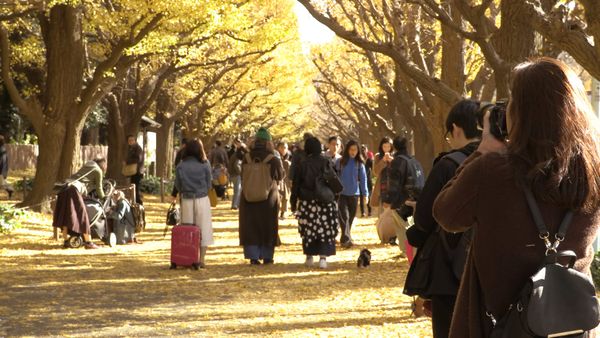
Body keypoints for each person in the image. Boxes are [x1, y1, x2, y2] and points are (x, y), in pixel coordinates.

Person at [433, 58, 600, 338]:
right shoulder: (593, 171)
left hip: (499, 325)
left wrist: (482, 150)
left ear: (523, 112)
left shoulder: (492, 170)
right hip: (571, 325)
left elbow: (446, 214)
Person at [404, 100, 481, 338]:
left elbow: (427, 217)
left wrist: (413, 234)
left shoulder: (448, 165)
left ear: (456, 129)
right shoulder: (506, 163)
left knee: (449, 328)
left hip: (450, 267)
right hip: (494, 268)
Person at [291, 137, 339, 269]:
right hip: (324, 201)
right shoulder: (326, 161)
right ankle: (323, 258)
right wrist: (335, 196)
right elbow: (334, 181)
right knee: (325, 228)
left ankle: (309, 257)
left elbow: (296, 185)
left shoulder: (303, 163)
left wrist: (293, 202)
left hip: (308, 202)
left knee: (308, 229)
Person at [238, 128, 284, 265]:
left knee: (251, 225)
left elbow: (242, 176)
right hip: (269, 198)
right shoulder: (273, 159)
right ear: (268, 142)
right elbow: (280, 176)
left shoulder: (246, 158)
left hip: (248, 197)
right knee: (268, 225)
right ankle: (267, 256)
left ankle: (253, 256)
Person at [172, 139, 214, 268]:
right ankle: (201, 259)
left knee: (187, 230)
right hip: (201, 199)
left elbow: (178, 185)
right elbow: (209, 184)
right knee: (204, 228)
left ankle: (188, 257)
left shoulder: (181, 165)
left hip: (186, 199)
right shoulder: (205, 164)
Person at [53, 157, 107, 249]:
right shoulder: (98, 170)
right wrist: (104, 198)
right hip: (74, 189)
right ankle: (88, 242)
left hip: (64, 188)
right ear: (103, 165)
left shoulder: (86, 167)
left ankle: (66, 241)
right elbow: (99, 189)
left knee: (65, 215)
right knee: (82, 215)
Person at [335, 140, 369, 248]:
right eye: (351, 149)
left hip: (354, 194)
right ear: (347, 150)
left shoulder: (359, 164)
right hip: (342, 194)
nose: (353, 152)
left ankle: (345, 237)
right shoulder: (340, 162)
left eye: (355, 150)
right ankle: (346, 239)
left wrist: (365, 194)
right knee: (344, 217)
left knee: (350, 218)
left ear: (358, 151)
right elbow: (334, 177)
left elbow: (363, 180)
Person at [370, 137, 393, 216]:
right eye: (384, 147)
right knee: (382, 214)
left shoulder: (395, 156)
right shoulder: (378, 156)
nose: (386, 149)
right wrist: (383, 161)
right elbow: (375, 172)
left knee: (392, 215)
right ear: (381, 147)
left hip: (392, 188)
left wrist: (392, 161)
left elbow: (398, 171)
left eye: (388, 146)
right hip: (381, 189)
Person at [125, 134, 144, 205]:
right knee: (133, 188)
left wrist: (127, 161)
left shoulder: (138, 148)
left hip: (137, 172)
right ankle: (135, 202)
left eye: (132, 140)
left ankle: (139, 203)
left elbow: (138, 159)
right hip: (133, 172)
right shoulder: (131, 148)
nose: (130, 142)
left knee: (136, 188)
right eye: (129, 140)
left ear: (135, 140)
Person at [228, 138, 246, 210]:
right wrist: (241, 173)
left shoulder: (235, 154)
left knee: (237, 190)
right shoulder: (238, 155)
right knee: (237, 190)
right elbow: (237, 165)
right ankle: (235, 205)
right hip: (236, 174)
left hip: (233, 174)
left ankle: (237, 204)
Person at [277, 142, 292, 219]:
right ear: (278, 148)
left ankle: (283, 212)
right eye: (282, 147)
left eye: (285, 147)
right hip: (278, 180)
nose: (283, 149)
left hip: (286, 180)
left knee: (286, 196)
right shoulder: (276, 157)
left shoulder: (288, 157)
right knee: (277, 196)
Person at [359, 144, 373, 217]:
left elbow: (373, 169)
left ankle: (368, 211)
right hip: (361, 181)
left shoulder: (369, 160)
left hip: (368, 181)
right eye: (362, 149)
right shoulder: (359, 160)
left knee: (367, 196)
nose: (363, 150)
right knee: (362, 197)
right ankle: (363, 212)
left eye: (364, 149)